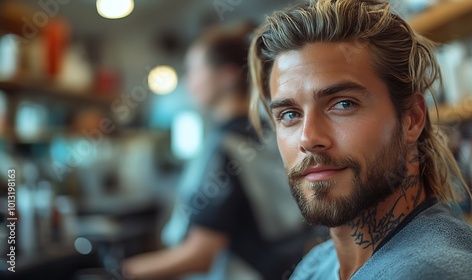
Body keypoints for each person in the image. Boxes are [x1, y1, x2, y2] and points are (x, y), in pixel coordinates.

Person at [247, 0, 472, 279]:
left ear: (413, 119)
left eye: (343, 104)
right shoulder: (318, 264)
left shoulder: (432, 272)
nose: (308, 138)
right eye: (289, 114)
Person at [122, 23, 322, 280]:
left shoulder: (225, 147)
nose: (188, 81)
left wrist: (122, 272)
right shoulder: (270, 133)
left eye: (194, 69)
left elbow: (201, 255)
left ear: (227, 75)